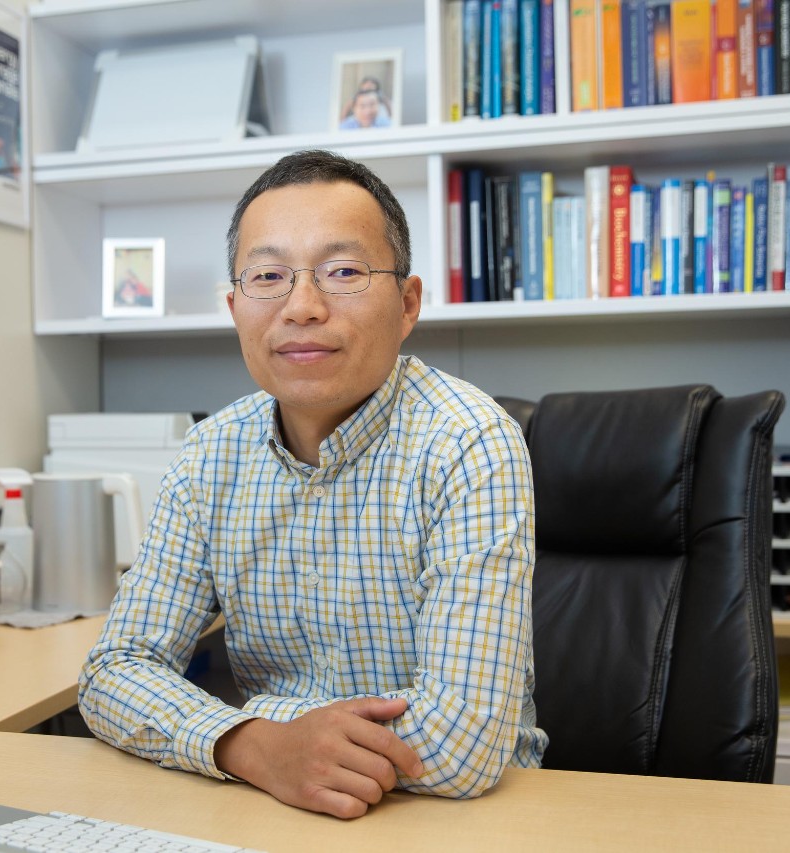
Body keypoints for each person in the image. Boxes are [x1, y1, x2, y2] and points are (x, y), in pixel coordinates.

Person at [79, 149, 546, 820]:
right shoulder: (211, 453)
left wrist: (268, 739)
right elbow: (113, 671)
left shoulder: (468, 441)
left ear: (408, 302)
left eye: (344, 271)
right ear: (235, 305)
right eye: (268, 275)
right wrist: (257, 745)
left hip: (461, 821)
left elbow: (463, 743)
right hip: (276, 807)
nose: (302, 306)